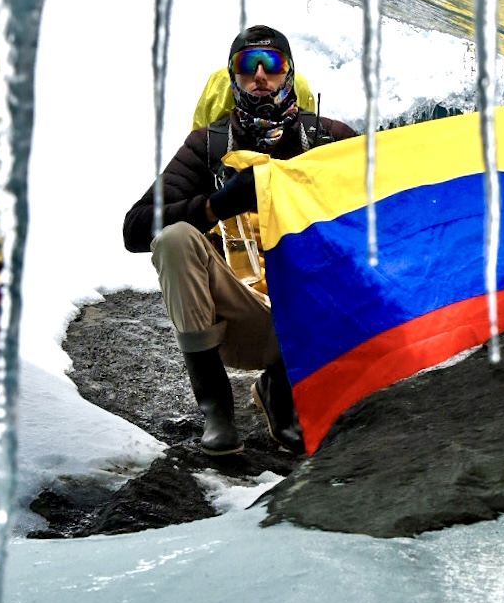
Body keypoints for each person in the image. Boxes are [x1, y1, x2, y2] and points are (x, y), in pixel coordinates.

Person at [123, 24, 356, 457]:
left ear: (290, 74)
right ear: (233, 77)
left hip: (315, 322)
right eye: (249, 66)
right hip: (240, 315)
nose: (261, 77)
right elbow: (134, 229)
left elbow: (390, 203)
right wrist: (215, 206)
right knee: (173, 239)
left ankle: (282, 395)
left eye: (274, 65)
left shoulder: (329, 139)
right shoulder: (207, 145)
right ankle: (217, 411)